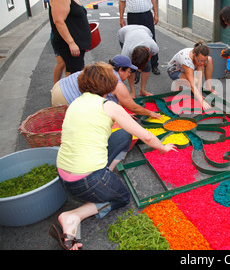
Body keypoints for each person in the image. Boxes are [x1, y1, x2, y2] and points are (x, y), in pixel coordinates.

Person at [48, 62, 176, 250]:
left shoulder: (75, 102)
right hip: (85, 180)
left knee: (123, 135)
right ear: (109, 84)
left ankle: (105, 175)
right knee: (121, 198)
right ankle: (74, 216)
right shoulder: (108, 106)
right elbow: (147, 136)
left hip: (64, 173)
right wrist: (163, 148)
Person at [51, 55, 161, 119]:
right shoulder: (117, 84)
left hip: (58, 87)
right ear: (120, 70)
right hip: (65, 100)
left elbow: (113, 101)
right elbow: (133, 107)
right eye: (129, 71)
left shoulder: (102, 68)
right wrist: (150, 113)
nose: (129, 74)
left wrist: (121, 115)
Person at [118, 0, 160, 75]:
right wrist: (121, 18)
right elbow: (122, 2)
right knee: (134, 43)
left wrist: (156, 13)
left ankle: (154, 65)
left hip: (147, 15)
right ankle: (135, 69)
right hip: (133, 17)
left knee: (151, 40)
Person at [49, 0, 91, 76]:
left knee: (73, 72)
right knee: (74, 75)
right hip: (69, 44)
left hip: (76, 43)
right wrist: (71, 43)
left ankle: (66, 92)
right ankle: (63, 92)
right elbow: (58, 21)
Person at [167, 41, 216, 110]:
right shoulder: (187, 61)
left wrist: (199, 93)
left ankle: (208, 85)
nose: (202, 63)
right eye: (201, 60)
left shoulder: (198, 54)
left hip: (187, 67)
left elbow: (200, 73)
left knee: (209, 60)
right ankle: (177, 82)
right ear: (194, 55)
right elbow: (192, 85)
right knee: (194, 81)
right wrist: (202, 102)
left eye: (204, 61)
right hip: (174, 71)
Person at [117, 24, 159, 98]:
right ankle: (132, 92)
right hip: (125, 32)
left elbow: (149, 58)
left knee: (147, 67)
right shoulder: (126, 52)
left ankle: (142, 90)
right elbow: (126, 68)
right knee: (131, 69)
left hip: (144, 30)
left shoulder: (154, 47)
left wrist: (141, 68)